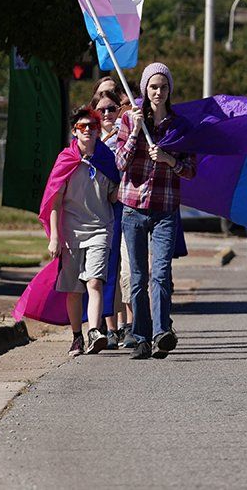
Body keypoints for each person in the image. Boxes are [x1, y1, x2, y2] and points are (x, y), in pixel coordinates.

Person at [116, 62, 196, 360]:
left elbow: (190, 170)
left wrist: (168, 159)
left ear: (169, 89)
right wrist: (136, 132)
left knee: (161, 273)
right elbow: (120, 163)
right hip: (133, 207)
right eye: (153, 86)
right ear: (144, 89)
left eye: (163, 86)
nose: (158, 92)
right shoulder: (130, 119)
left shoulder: (180, 126)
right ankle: (141, 336)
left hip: (165, 209)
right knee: (138, 276)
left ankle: (162, 333)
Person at [45, 108, 118, 356]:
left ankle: (95, 331)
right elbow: (54, 203)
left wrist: (123, 181)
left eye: (92, 126)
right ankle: (77, 336)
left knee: (95, 281)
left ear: (98, 131)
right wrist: (55, 237)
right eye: (82, 126)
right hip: (71, 233)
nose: (88, 130)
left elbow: (112, 197)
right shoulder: (65, 160)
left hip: (100, 229)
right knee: (74, 290)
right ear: (74, 131)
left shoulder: (106, 158)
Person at [90, 89, 130, 345]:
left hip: (125, 209)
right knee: (106, 269)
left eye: (111, 109)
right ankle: (110, 327)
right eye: (101, 110)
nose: (107, 113)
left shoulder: (126, 135)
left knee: (129, 269)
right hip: (98, 212)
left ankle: (131, 325)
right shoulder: (89, 139)